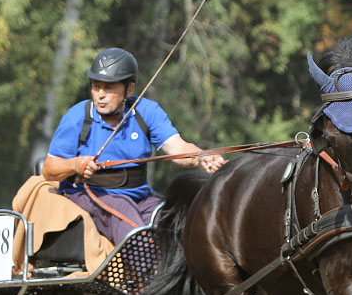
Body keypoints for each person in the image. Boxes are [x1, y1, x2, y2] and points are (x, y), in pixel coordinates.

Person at [41, 47, 226, 244]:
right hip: (89, 195)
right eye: (96, 86)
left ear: (129, 89)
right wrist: (75, 165)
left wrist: (203, 157)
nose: (100, 95)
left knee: (178, 224)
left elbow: (178, 149)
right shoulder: (77, 116)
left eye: (109, 87)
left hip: (141, 199)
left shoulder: (147, 112)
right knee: (134, 230)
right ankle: (147, 274)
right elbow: (49, 169)